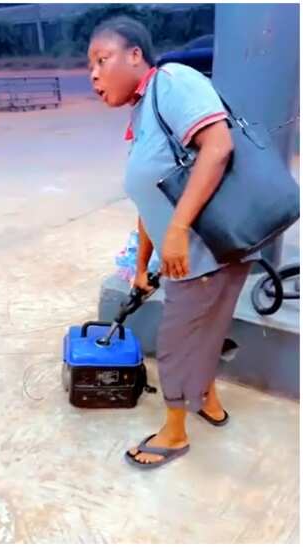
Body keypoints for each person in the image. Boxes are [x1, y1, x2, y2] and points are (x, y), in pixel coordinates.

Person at [87, 17, 255, 469]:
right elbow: (150, 195)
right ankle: (207, 398)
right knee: (207, 330)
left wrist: (177, 231)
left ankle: (175, 432)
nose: (94, 75)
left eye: (102, 60)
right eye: (91, 67)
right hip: (191, 253)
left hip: (205, 249)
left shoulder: (174, 81)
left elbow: (217, 146)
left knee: (178, 340)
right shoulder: (142, 112)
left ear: (136, 56)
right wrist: (143, 264)